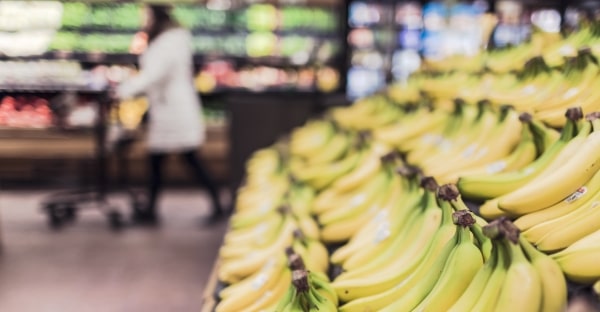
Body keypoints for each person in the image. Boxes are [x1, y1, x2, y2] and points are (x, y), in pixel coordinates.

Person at [115, 4, 224, 225]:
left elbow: (155, 75)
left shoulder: (169, 42)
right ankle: (152, 209)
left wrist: (125, 89)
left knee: (187, 159)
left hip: (173, 109)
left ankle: (216, 205)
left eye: (146, 15)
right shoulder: (172, 39)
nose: (143, 19)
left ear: (156, 16)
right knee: (159, 160)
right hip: (167, 108)